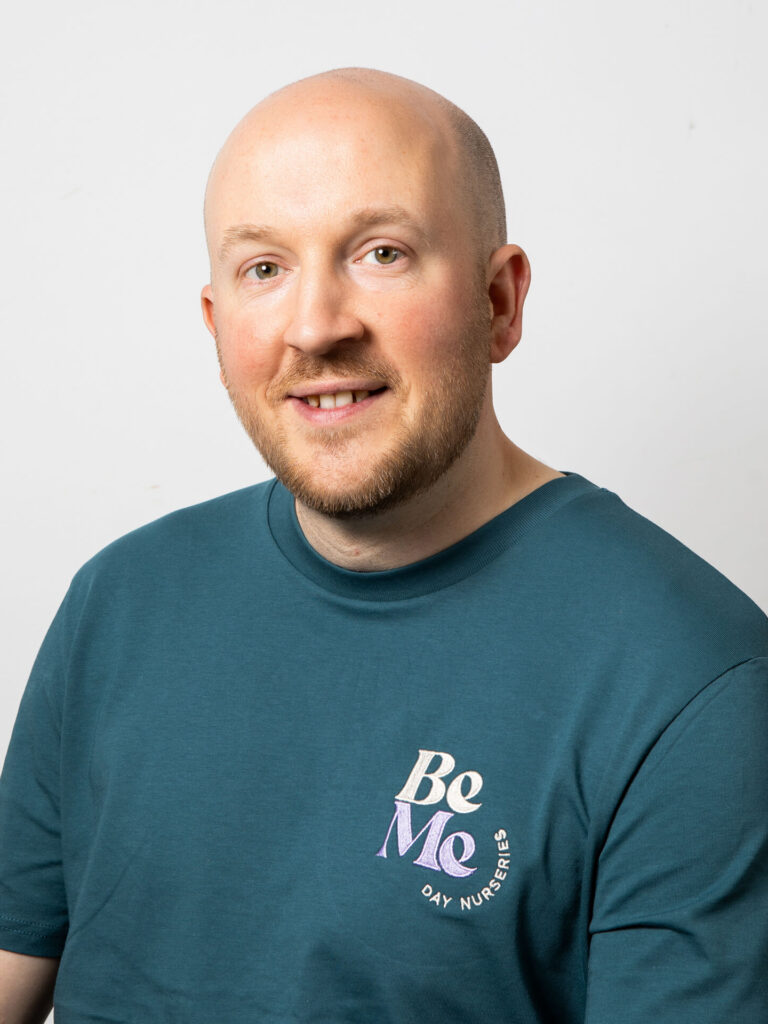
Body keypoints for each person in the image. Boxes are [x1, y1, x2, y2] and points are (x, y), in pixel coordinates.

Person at [1, 67, 766, 1024]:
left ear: (500, 302)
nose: (315, 326)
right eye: (264, 269)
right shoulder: (119, 602)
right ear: (216, 323)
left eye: (382, 253)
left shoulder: (692, 682)